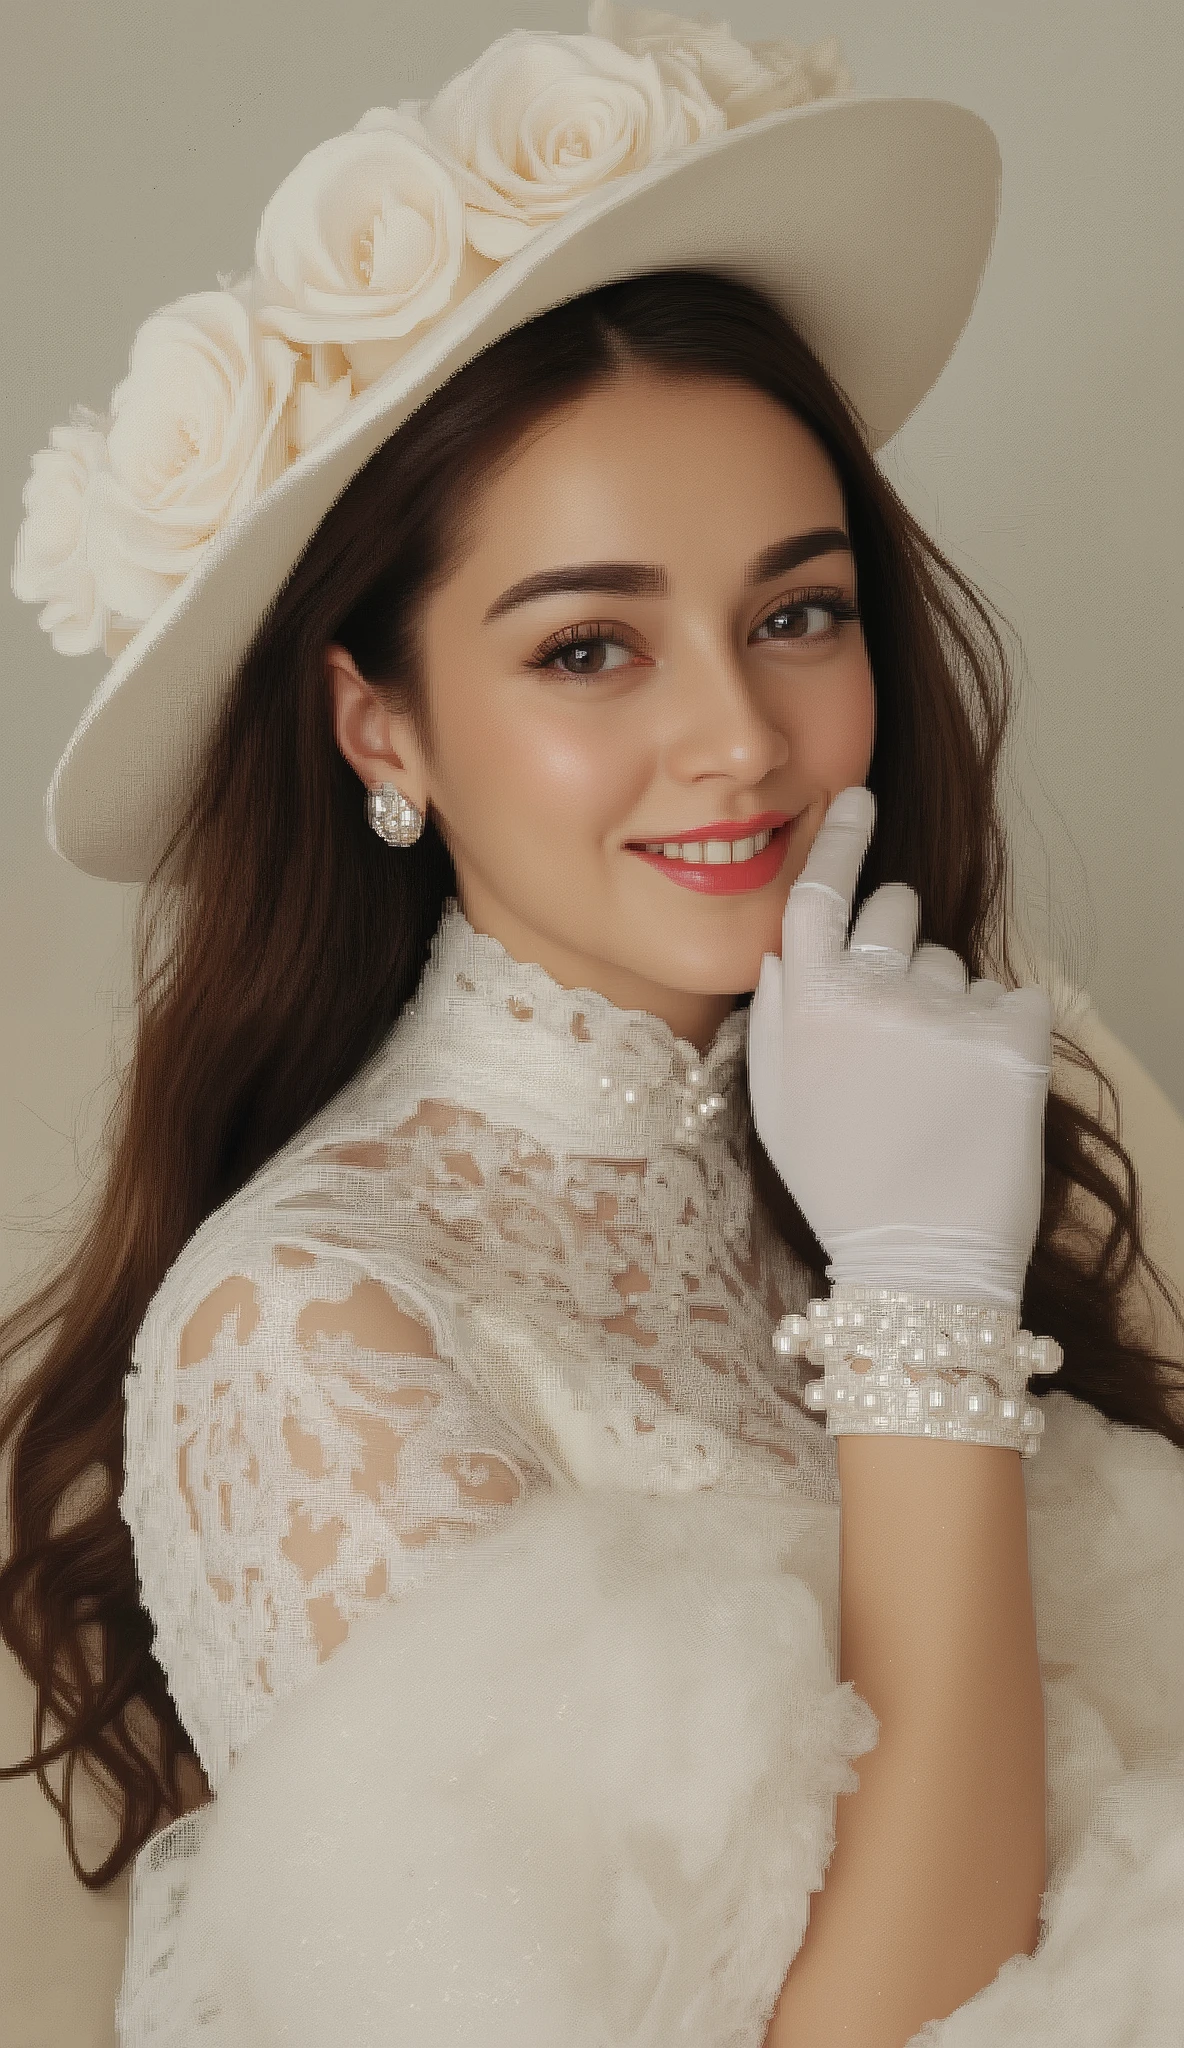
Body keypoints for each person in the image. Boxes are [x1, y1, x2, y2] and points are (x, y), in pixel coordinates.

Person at [3, 8, 1183, 2045]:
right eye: (587, 647)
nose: (739, 735)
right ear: (379, 722)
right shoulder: (309, 1327)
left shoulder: (917, 1100)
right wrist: (920, 1303)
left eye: (796, 612)